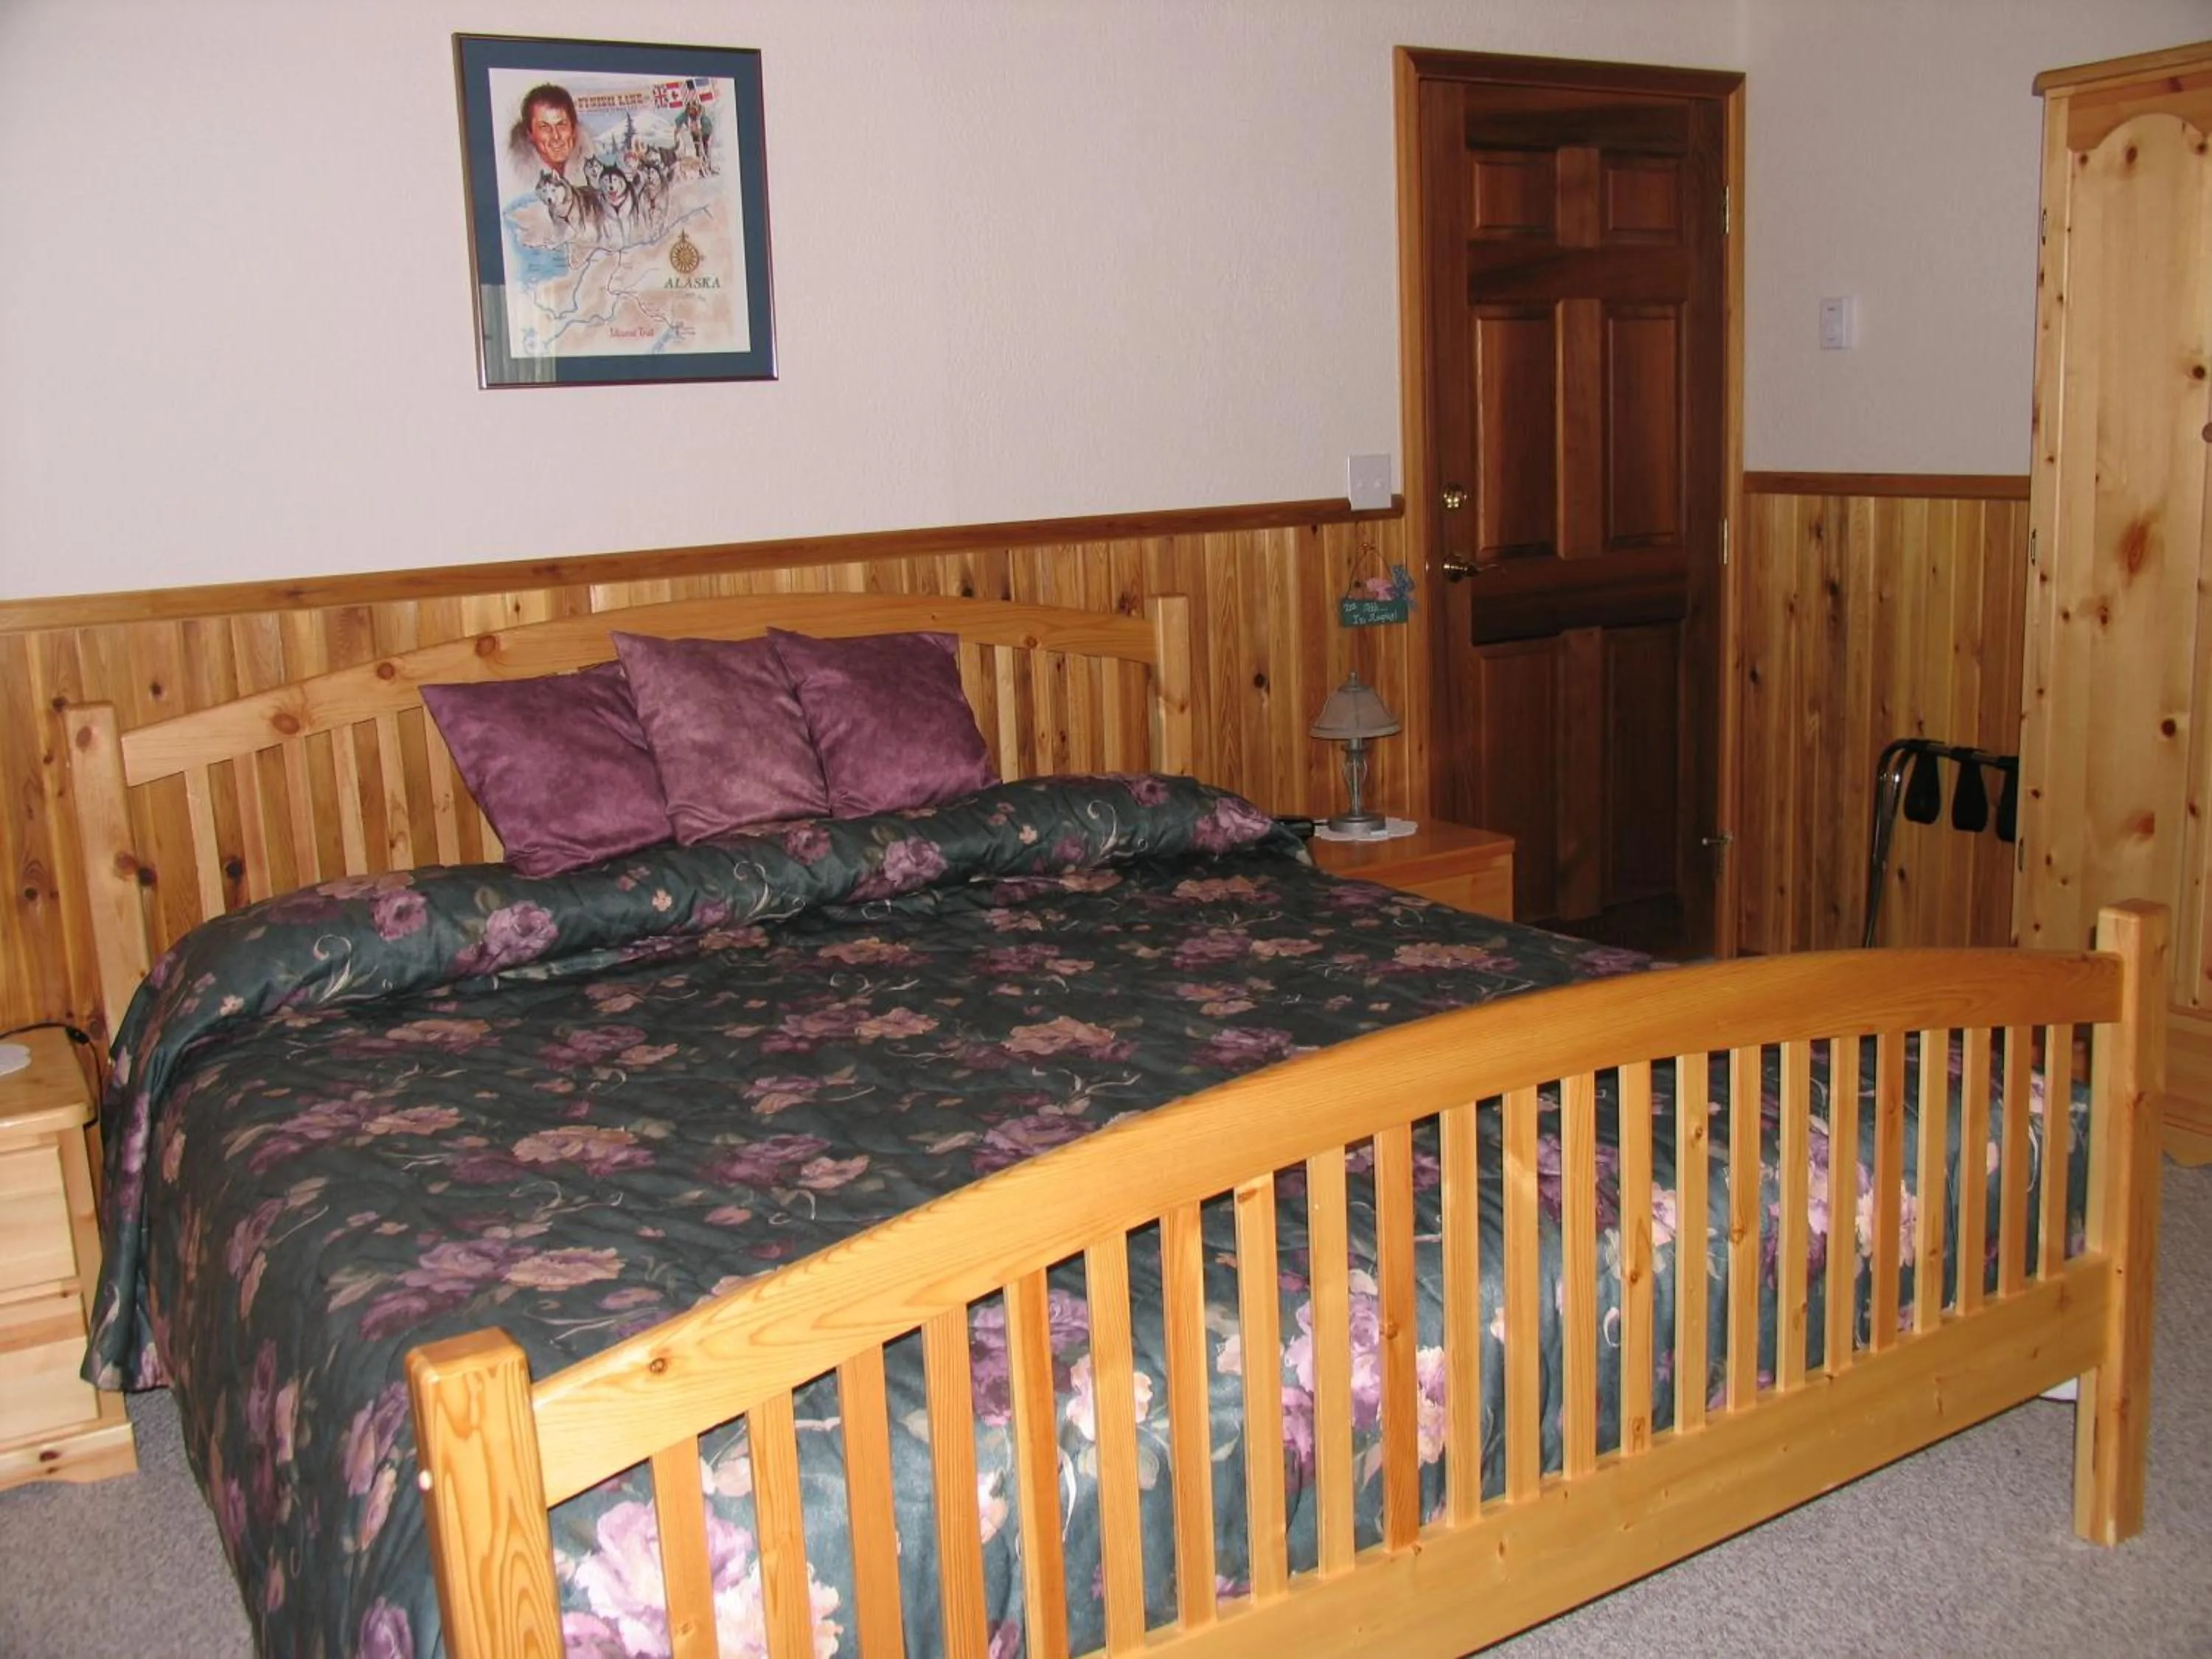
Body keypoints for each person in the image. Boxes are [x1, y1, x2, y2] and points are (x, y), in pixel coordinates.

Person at [508, 83, 585, 180]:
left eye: (561, 125)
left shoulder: (595, 163)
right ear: (529, 134)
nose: (556, 136)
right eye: (544, 127)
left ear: (573, 129)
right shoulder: (518, 179)